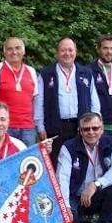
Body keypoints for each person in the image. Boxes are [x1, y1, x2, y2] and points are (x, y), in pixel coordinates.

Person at [56, 112, 112, 223]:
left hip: (98, 193)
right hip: (75, 197)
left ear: (102, 129)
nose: (91, 132)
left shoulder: (111, 144)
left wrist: (96, 184)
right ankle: (78, 220)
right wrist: (65, 206)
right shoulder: (68, 147)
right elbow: (62, 179)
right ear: (80, 131)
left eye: (95, 128)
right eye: (86, 129)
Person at [35, 37, 101, 165]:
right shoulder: (46, 74)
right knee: (56, 163)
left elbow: (94, 101)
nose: (67, 53)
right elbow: (39, 102)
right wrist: (40, 127)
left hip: (81, 127)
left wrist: (96, 122)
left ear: (75, 52)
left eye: (70, 50)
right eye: (63, 50)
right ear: (57, 53)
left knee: (79, 163)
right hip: (55, 128)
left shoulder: (86, 73)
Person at [0, 36, 39, 147]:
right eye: (10, 49)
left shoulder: (31, 71)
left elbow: (35, 100)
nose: (14, 52)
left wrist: (38, 124)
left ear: (23, 51)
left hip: (28, 127)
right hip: (5, 126)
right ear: (4, 51)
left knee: (26, 162)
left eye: (17, 48)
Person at [88, 35, 112, 139]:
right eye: (105, 48)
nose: (109, 52)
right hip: (96, 127)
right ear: (98, 49)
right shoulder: (88, 71)